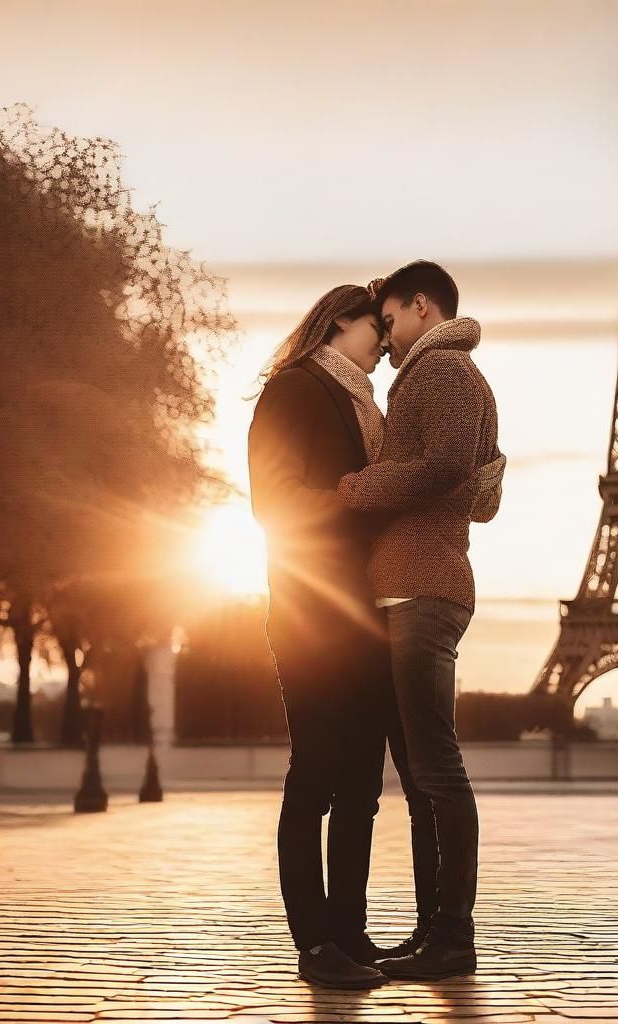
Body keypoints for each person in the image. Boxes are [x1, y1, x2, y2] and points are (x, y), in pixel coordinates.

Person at [247, 284, 435, 989]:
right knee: (316, 778)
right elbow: (273, 501)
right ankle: (313, 943)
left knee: (359, 786)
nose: (386, 345)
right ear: (337, 322)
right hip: (311, 615)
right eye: (374, 331)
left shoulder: (360, 404)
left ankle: (348, 933)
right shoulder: (294, 391)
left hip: (361, 615)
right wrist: (359, 501)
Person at [338, 260, 505, 981]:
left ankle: (453, 938)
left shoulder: (442, 372)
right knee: (425, 772)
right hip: (421, 583)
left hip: (422, 588)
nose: (386, 333)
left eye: (391, 317)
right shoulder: (454, 376)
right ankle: (435, 931)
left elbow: (442, 469)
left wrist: (353, 488)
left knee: (436, 770)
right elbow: (481, 489)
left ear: (422, 306)